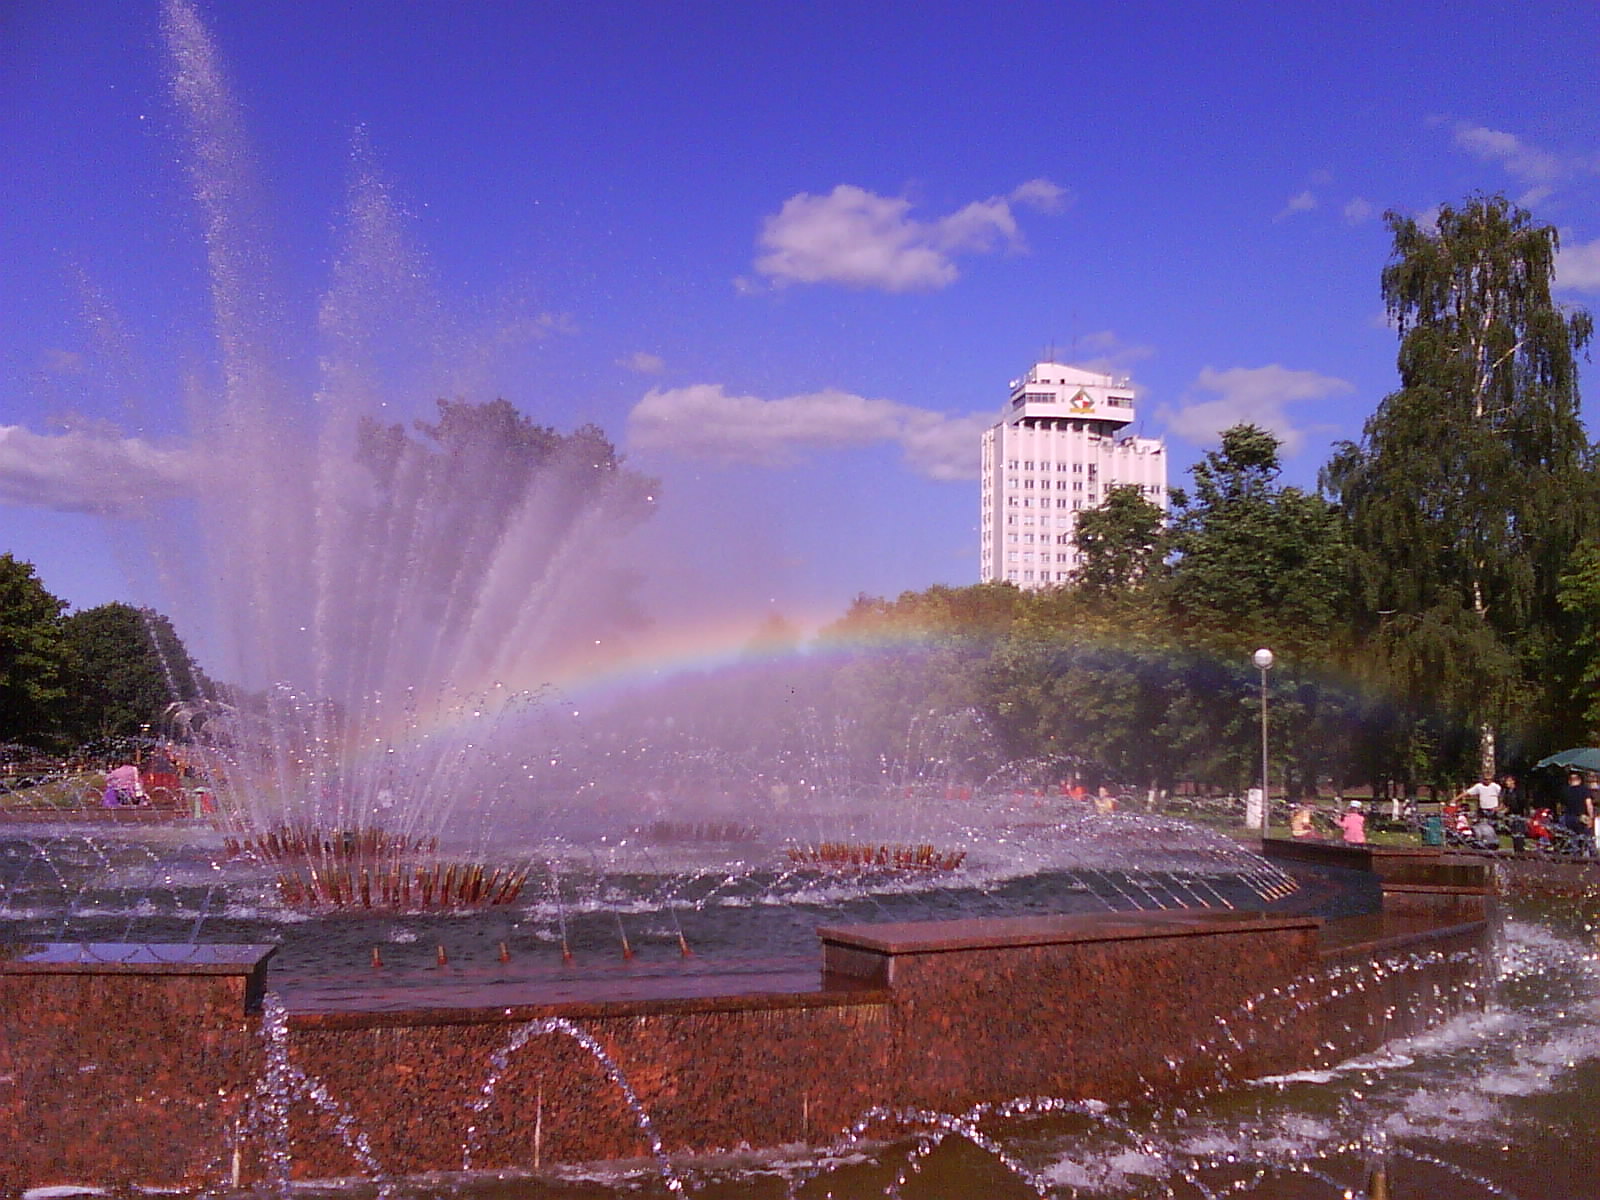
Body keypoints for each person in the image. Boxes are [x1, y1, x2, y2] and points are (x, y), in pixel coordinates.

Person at [1560, 770, 1592, 852]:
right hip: (1582, 818)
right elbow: (1589, 805)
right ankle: (1586, 858)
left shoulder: (1565, 791)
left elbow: (1561, 806)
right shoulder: (1584, 790)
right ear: (1580, 780)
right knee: (1586, 840)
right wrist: (1591, 818)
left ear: (1569, 781)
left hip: (1568, 817)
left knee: (1572, 839)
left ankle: (1574, 857)